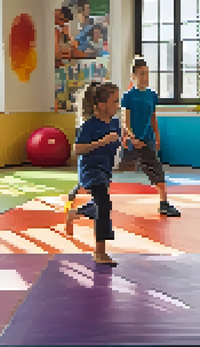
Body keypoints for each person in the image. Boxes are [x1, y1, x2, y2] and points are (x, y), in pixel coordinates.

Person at [66, 82, 123, 266]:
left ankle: (75, 212)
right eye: (115, 101)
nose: (118, 105)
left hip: (104, 170)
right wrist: (102, 141)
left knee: (99, 205)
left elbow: (117, 141)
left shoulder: (115, 123)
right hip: (90, 171)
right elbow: (78, 149)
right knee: (104, 203)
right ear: (101, 105)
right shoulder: (89, 126)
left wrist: (128, 140)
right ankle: (99, 252)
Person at [118, 58, 181, 217]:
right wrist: (132, 138)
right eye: (141, 74)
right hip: (133, 142)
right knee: (107, 170)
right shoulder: (128, 97)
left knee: (156, 170)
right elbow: (125, 121)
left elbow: (153, 118)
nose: (145, 77)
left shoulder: (152, 95)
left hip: (147, 141)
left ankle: (164, 203)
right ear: (133, 76)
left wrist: (157, 137)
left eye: (147, 74)